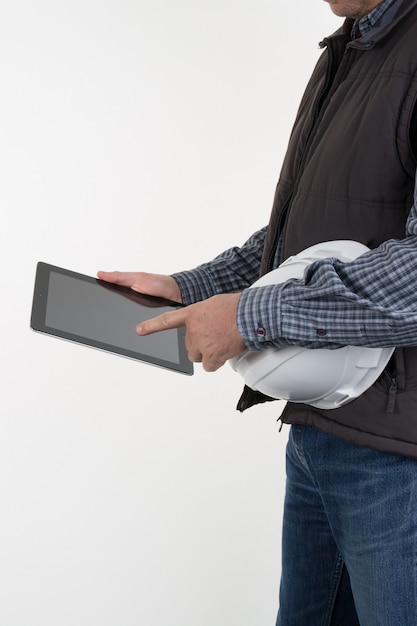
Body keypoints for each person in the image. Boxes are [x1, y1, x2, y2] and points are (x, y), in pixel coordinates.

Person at [98, 0, 417, 623]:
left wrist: (249, 315)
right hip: (324, 431)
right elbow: (311, 229)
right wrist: (195, 286)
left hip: (397, 459)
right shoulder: (353, 47)